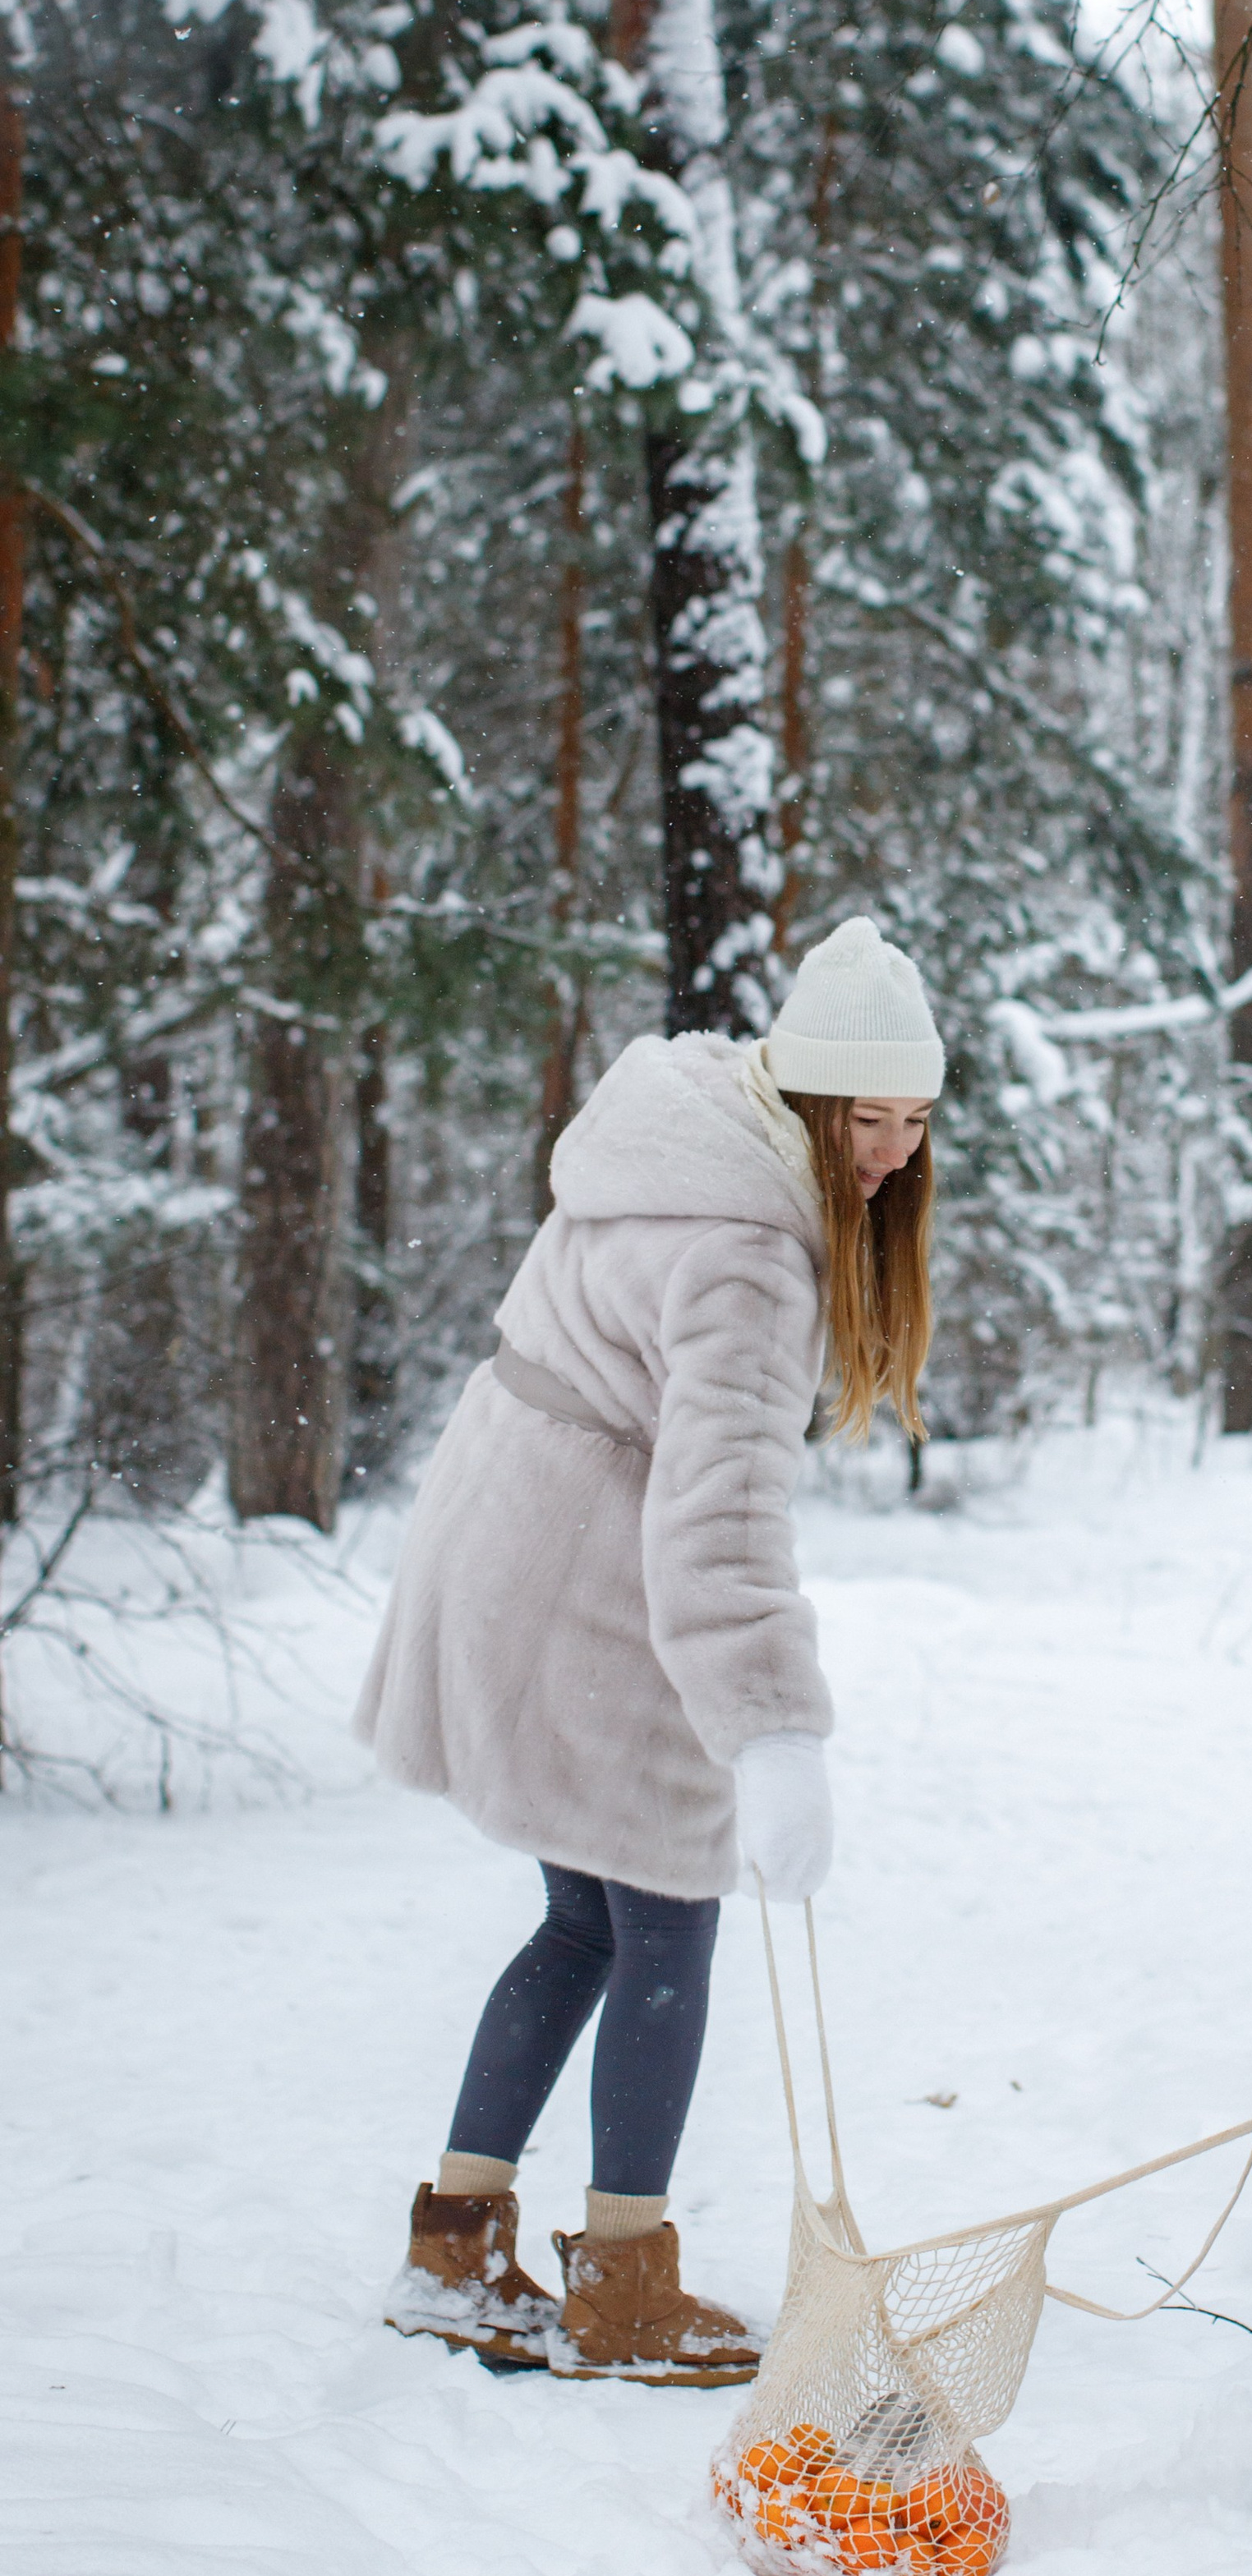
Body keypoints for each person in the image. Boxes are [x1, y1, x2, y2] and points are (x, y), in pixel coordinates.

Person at [355, 916, 943, 2385]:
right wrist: (773, 1731)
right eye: (866, 1120)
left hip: (511, 1533)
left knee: (584, 1924)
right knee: (668, 1917)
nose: (891, 1151)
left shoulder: (678, 1143)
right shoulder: (749, 1258)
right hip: (584, 1580)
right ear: (805, 1101)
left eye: (919, 1119)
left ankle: (456, 2251)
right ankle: (623, 2291)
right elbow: (720, 1516)